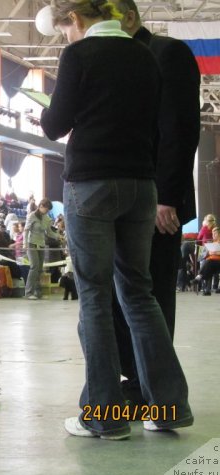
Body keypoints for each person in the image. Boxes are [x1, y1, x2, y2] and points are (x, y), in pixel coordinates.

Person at [41, 0, 192, 440]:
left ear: (75, 20)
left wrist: (46, 113)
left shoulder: (79, 54)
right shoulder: (145, 55)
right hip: (141, 186)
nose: (65, 37)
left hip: (91, 184)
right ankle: (167, 407)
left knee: (94, 296)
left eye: (65, 28)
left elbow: (55, 124)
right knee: (139, 294)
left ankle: (105, 414)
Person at [110, 0, 201, 407]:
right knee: (121, 295)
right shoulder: (116, 61)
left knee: (152, 294)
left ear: (129, 17)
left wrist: (168, 197)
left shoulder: (168, 53)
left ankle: (156, 390)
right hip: (118, 198)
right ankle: (133, 379)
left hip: (156, 201)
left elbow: (180, 131)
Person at [23, 198, 58, 300]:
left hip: (41, 244)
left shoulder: (47, 218)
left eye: (49, 209)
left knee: (39, 269)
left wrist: (58, 236)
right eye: (46, 208)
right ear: (41, 206)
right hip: (31, 244)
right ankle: (28, 293)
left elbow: (49, 232)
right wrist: (24, 243)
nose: (47, 211)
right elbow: (26, 230)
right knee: (34, 266)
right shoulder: (31, 216)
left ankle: (38, 293)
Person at [192, 226, 220, 296]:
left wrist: (216, 252)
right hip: (211, 261)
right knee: (208, 265)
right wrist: (208, 252)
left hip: (218, 261)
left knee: (208, 264)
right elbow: (206, 254)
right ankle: (207, 290)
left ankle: (198, 278)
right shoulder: (212, 242)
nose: (213, 235)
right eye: (213, 233)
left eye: (215, 233)